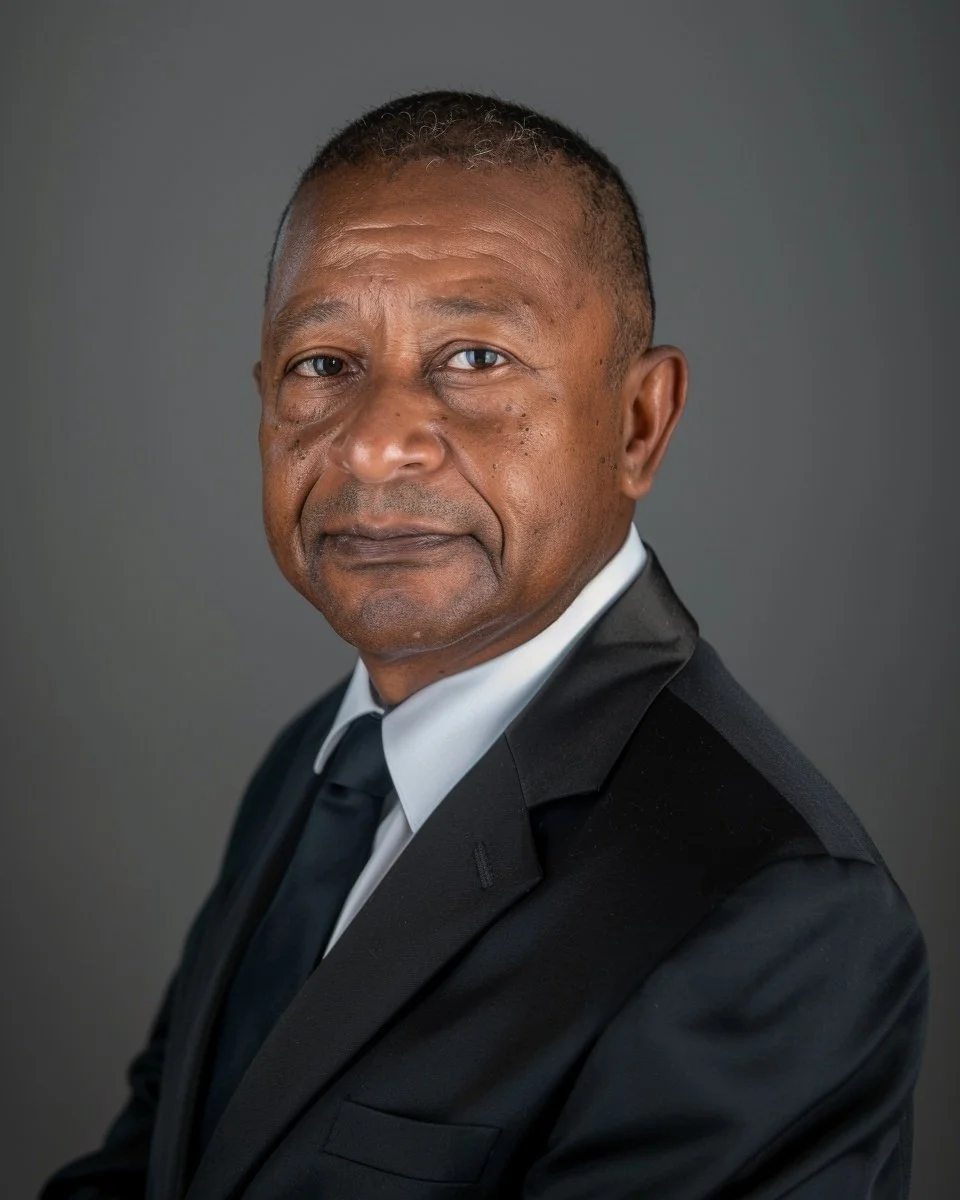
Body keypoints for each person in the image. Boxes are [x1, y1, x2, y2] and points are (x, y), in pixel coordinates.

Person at [41, 91, 928, 1200]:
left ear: (639, 423)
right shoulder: (321, 767)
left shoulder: (778, 916)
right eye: (323, 363)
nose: (376, 439)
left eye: (474, 356)